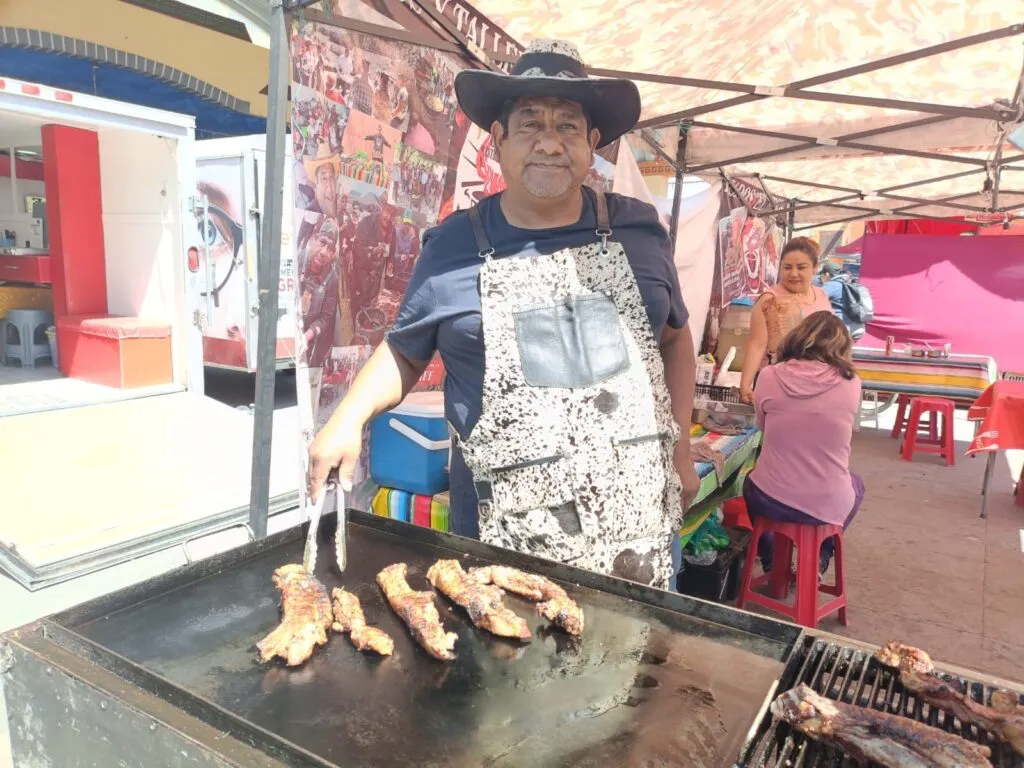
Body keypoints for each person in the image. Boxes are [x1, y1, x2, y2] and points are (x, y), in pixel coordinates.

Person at [307, 38, 700, 589]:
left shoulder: (639, 231)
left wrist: (680, 451)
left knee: (638, 646)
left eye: (567, 126)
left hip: (636, 532)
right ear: (499, 140)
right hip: (506, 543)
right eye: (530, 123)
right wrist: (347, 418)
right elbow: (405, 350)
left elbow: (676, 340)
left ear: (592, 143)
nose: (549, 142)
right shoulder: (453, 245)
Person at [743, 311, 864, 575]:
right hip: (828, 500)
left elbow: (762, 425)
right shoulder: (852, 382)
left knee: (750, 482)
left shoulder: (768, 375)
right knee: (856, 486)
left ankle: (771, 559)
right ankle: (821, 556)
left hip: (769, 499)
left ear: (796, 338)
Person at [739, 236, 833, 403]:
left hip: (818, 382)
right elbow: (757, 344)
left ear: (814, 268)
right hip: (778, 382)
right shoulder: (770, 300)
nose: (793, 274)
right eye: (787, 267)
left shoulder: (821, 295)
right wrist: (745, 385)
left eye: (801, 267)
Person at [818, 262, 867, 340]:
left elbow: (813, 298)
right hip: (857, 325)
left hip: (840, 327)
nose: (820, 279)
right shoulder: (849, 282)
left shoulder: (831, 285)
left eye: (821, 276)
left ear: (826, 275)